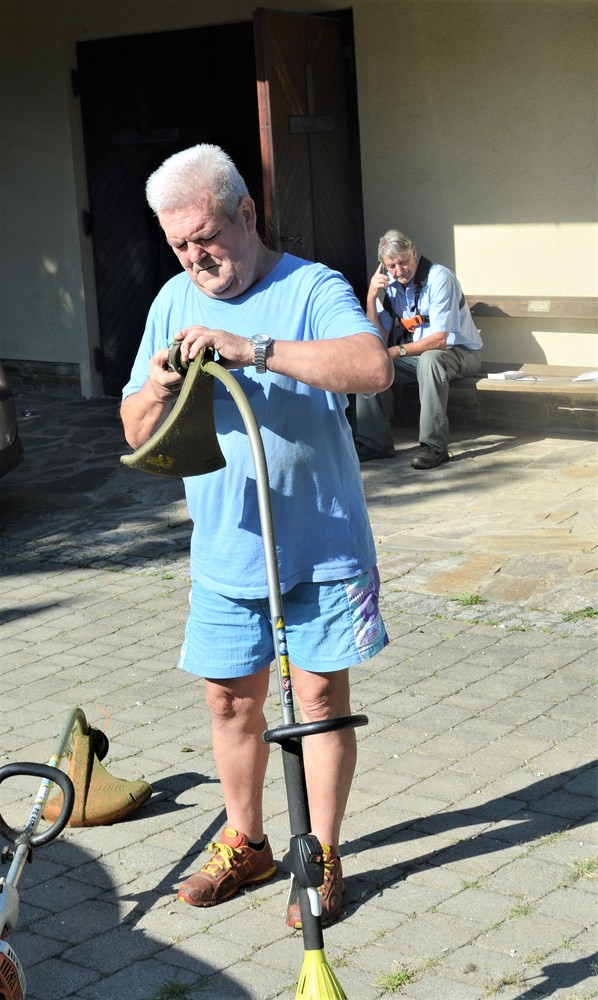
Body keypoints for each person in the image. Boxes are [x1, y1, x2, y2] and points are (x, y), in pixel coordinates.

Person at [120, 144, 394, 928]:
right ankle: (248, 843)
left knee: (319, 699)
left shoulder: (310, 287)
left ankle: (323, 854)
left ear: (246, 212)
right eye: (178, 244)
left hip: (322, 544)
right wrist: (159, 387)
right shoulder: (171, 302)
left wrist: (253, 350)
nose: (194, 257)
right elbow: (133, 429)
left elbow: (372, 366)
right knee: (228, 701)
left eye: (205, 236)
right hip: (227, 549)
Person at [354, 229, 483, 469]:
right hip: (421, 356)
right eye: (391, 266)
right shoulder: (389, 285)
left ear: (413, 252)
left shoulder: (439, 278)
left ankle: (434, 447)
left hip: (461, 353)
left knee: (430, 360)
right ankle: (374, 443)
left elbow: (440, 340)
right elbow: (377, 339)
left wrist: (397, 351)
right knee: (372, 364)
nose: (399, 271)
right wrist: (371, 297)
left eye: (403, 262)